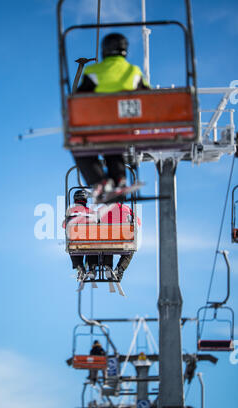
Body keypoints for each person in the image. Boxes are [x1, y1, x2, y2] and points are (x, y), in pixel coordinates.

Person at [74, 33, 150, 202]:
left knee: (80, 148)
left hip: (99, 127)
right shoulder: (133, 71)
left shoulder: (94, 71)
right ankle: (119, 180)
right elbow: (148, 98)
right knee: (114, 148)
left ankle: (99, 181)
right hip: (124, 127)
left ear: (105, 50)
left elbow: (79, 100)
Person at [98, 202, 141, 281]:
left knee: (105, 246)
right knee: (130, 250)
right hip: (122, 241)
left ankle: (108, 266)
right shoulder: (127, 209)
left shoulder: (102, 210)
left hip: (107, 241)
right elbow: (138, 222)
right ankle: (119, 270)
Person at [63, 189, 98, 280]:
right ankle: (92, 267)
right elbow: (98, 225)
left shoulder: (70, 212)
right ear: (85, 200)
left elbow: (64, 225)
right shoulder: (91, 212)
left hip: (76, 241)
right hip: (90, 241)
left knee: (73, 246)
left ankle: (80, 268)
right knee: (94, 246)